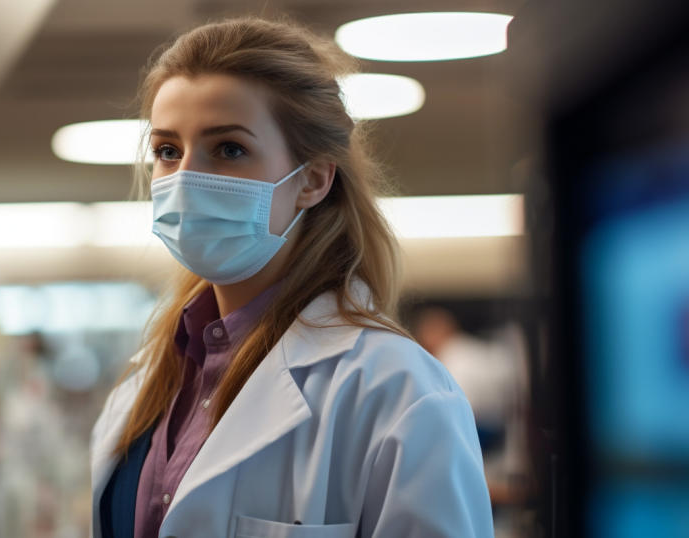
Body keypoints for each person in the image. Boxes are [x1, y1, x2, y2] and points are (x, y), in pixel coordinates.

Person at [90, 17, 493, 538]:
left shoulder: (395, 391)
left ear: (313, 179)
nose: (186, 178)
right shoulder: (149, 382)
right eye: (168, 150)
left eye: (229, 148)